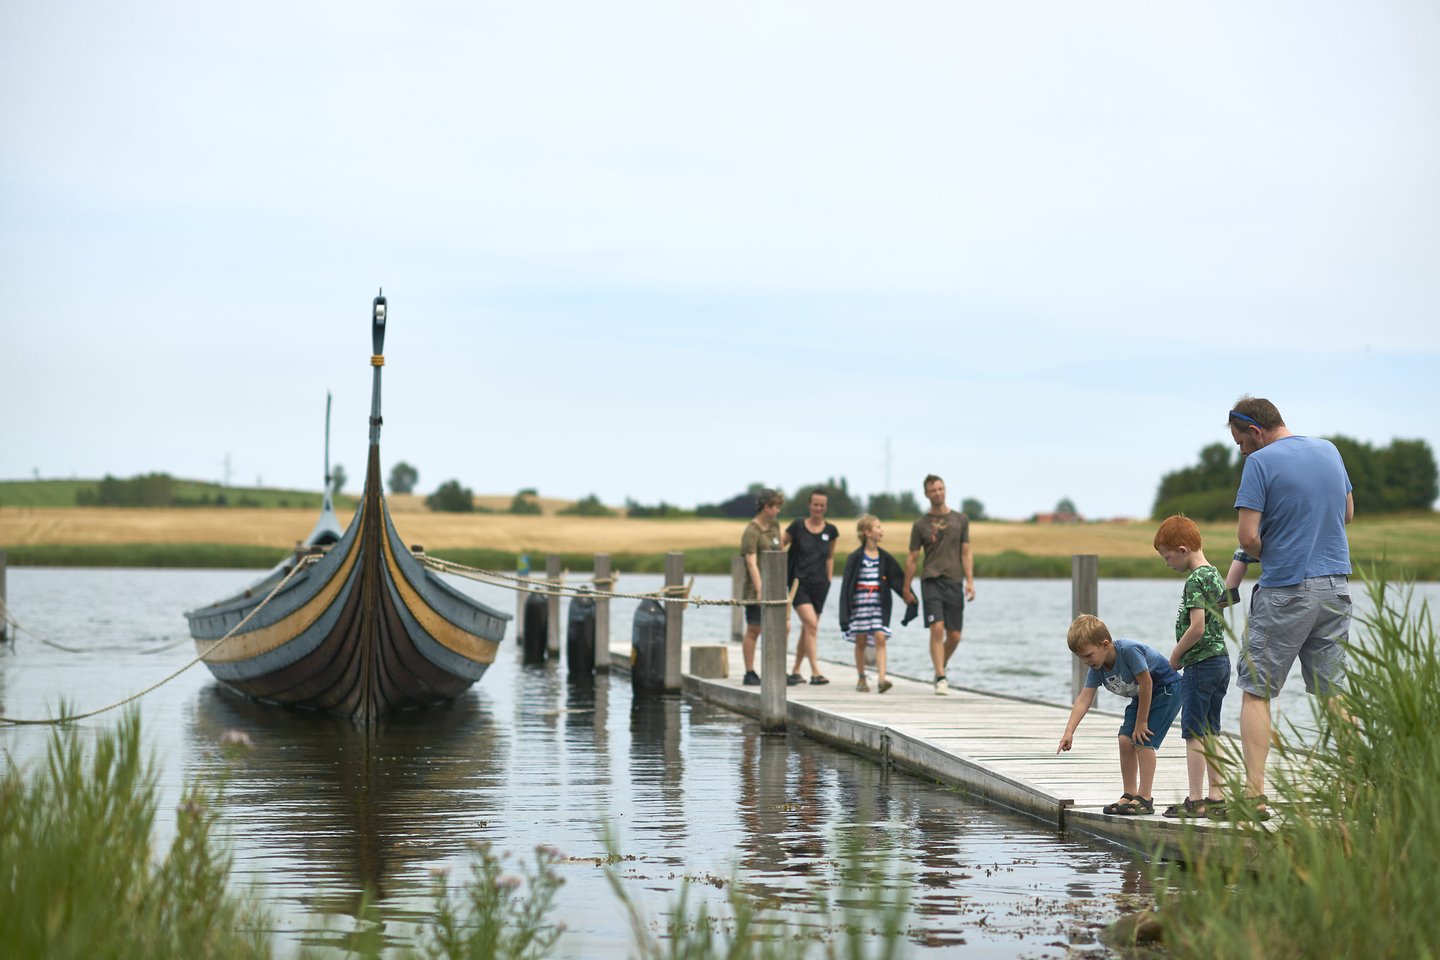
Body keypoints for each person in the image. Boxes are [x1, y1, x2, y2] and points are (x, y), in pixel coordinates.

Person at [1227, 395, 1353, 821]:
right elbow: (1348, 513)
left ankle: (1254, 795)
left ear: (1255, 431)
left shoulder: (1259, 463)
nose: (1241, 451)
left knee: (1256, 691)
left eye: (1241, 443)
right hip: (1336, 588)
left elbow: (1247, 538)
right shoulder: (1330, 450)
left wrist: (1270, 548)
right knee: (1332, 692)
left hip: (1286, 589)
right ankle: (1358, 782)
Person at [1057, 614, 1183, 816]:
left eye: (1088, 655)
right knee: (1125, 739)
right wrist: (1069, 731)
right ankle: (1130, 793)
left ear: (1105, 644)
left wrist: (1141, 722)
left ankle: (1145, 798)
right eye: (1080, 658)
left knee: (1143, 739)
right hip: (1141, 695)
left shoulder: (1128, 651)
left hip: (1167, 689)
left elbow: (1147, 682)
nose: (1085, 662)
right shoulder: (1097, 667)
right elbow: (1084, 698)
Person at [1153, 515, 1231, 818]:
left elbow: (1197, 627)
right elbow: (1221, 611)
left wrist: (1175, 656)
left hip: (1199, 664)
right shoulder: (1215, 575)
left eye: (1168, 556)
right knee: (1212, 730)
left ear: (1183, 550)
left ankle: (1196, 800)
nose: (1167, 563)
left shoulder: (1195, 580)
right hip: (1221, 662)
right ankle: (1217, 796)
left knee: (1194, 733)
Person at [903, 474, 975, 695]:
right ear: (926, 494)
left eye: (940, 489)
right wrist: (906, 587)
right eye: (933, 490)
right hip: (931, 580)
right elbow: (913, 557)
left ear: (945, 490)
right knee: (937, 628)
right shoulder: (920, 525)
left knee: (954, 635)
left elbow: (965, 551)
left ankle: (938, 668)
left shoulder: (960, 520)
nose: (938, 493)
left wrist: (970, 581)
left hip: (954, 580)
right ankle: (941, 676)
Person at [838, 515, 907, 693]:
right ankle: (861, 678)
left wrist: (909, 597)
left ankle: (882, 679)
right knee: (860, 640)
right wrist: (845, 614)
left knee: (880, 637)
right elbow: (846, 585)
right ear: (867, 532)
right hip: (860, 604)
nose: (881, 530)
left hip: (878, 604)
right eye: (878, 527)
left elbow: (897, 579)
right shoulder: (855, 557)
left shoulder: (884, 557)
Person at [782, 489, 838, 685]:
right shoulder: (797, 526)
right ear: (809, 505)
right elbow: (779, 545)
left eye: (822, 505)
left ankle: (796, 670)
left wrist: (828, 579)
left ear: (826, 507)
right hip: (798, 584)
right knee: (811, 624)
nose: (818, 508)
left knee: (809, 629)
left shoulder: (831, 531)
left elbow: (830, 556)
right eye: (815, 504)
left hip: (820, 584)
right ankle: (815, 672)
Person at [739, 489, 786, 686]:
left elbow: (780, 553)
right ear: (765, 507)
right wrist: (760, 589)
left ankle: (775, 670)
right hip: (756, 587)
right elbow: (751, 563)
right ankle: (749, 672)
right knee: (754, 628)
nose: (777, 511)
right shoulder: (751, 531)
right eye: (775, 507)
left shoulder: (775, 527)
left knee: (780, 628)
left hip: (776, 588)